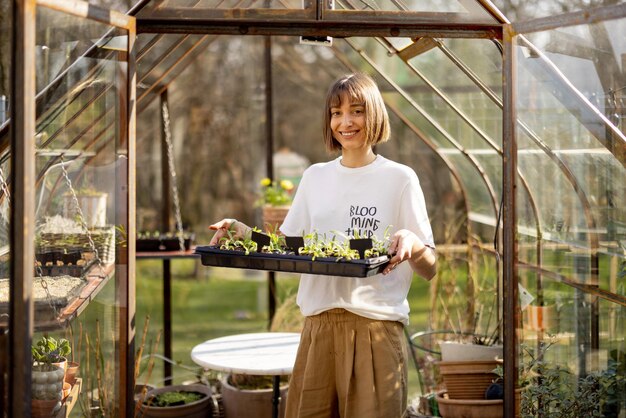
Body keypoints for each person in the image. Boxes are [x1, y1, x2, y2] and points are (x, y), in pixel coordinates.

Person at [209, 73, 436, 418]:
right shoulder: (315, 177)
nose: (345, 122)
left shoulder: (400, 179)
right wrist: (242, 233)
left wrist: (414, 244)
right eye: (336, 112)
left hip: (374, 330)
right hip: (318, 330)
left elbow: (430, 267)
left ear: (374, 114)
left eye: (356, 111)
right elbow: (288, 246)